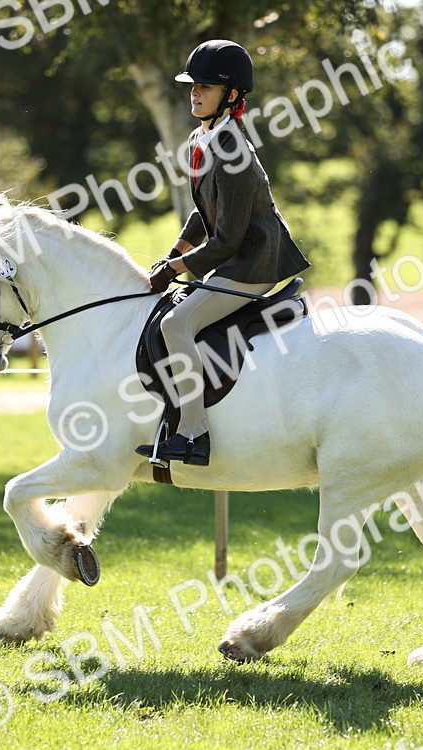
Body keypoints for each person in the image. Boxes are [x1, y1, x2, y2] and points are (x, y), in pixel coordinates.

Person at [135, 39, 310, 467]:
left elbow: (228, 240)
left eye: (206, 86)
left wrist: (178, 267)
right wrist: (174, 252)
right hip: (233, 256)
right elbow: (204, 211)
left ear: (232, 95)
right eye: (193, 85)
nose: (194, 92)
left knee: (176, 325)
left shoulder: (231, 150)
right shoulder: (203, 135)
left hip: (253, 262)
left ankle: (193, 433)